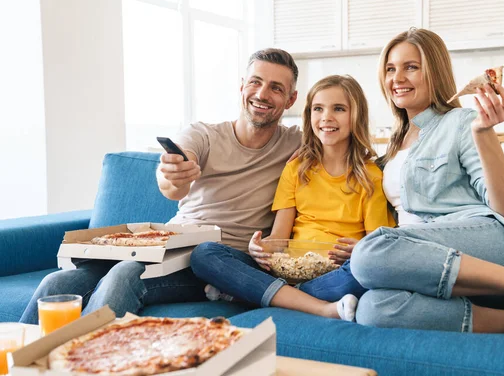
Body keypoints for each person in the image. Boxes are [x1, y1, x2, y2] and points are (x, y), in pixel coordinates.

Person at [20, 48, 303, 323]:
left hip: (217, 264)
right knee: (57, 283)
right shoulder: (203, 134)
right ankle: (15, 369)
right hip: (168, 248)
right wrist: (174, 173)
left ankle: (87, 365)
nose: (262, 94)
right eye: (255, 82)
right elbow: (172, 182)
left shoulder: (298, 144)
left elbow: (341, 135)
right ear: (242, 87)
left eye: (276, 88)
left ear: (291, 100)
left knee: (124, 275)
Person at [348, 28, 504, 335]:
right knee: (374, 309)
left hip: (483, 241)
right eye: (390, 69)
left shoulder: (461, 122)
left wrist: (483, 132)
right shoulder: (394, 142)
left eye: (411, 67)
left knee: (368, 254)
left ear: (435, 72)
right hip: (428, 259)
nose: (397, 78)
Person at [191, 75, 394, 320]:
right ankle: (314, 305)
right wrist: (260, 248)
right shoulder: (297, 168)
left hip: (338, 271)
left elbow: (377, 246)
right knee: (205, 254)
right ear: (309, 116)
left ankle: (260, 294)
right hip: (288, 269)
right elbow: (279, 238)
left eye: (339, 109)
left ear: (356, 116)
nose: (327, 117)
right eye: (318, 109)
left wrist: (359, 250)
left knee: (367, 272)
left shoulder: (369, 176)